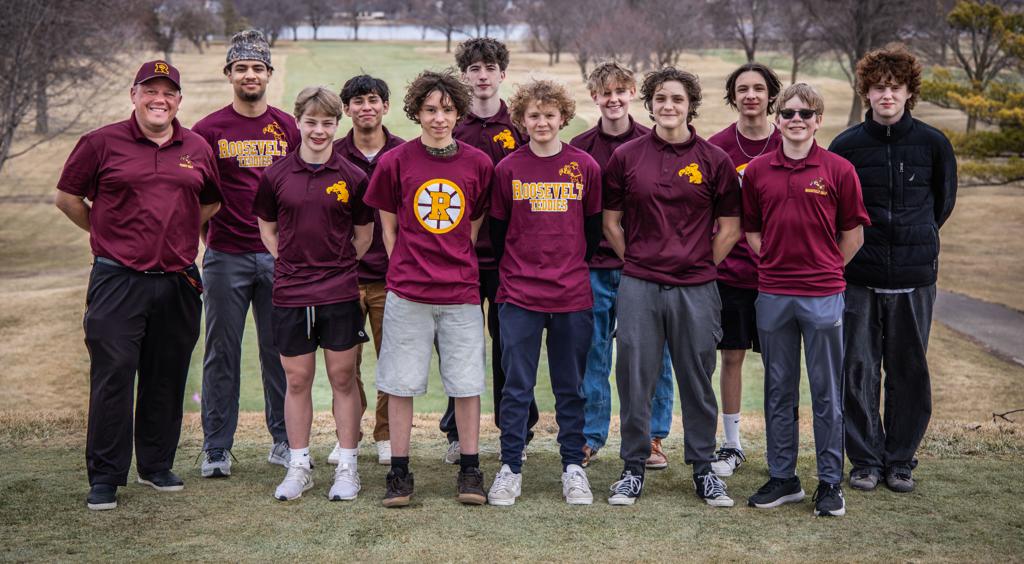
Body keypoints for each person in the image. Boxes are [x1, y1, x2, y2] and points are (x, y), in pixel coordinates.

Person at [55, 60, 222, 510]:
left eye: (168, 93)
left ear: (179, 101)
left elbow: (210, 203)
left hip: (177, 280)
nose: (158, 100)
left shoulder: (197, 147)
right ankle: (106, 476)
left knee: (166, 375)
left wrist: (176, 231)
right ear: (134, 95)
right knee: (114, 374)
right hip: (117, 279)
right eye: (150, 90)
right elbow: (68, 198)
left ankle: (156, 465)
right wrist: (106, 233)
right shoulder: (100, 142)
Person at [603, 67, 741, 507]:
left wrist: (698, 265)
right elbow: (611, 222)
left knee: (697, 379)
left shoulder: (714, 159)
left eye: (677, 99)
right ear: (649, 103)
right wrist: (637, 261)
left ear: (690, 105)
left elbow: (731, 228)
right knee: (634, 378)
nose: (668, 106)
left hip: (696, 287)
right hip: (639, 285)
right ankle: (632, 467)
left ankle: (703, 468)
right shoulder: (626, 157)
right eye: (661, 98)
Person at [830, 44, 957, 494]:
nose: (887, 95)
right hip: (859, 278)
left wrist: (912, 239)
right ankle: (865, 460)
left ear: (909, 93)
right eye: (879, 87)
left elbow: (942, 205)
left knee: (908, 372)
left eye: (895, 87)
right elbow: (836, 212)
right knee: (858, 370)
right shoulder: (846, 146)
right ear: (866, 91)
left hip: (914, 277)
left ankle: (900, 460)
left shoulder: (933, 144)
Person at [364, 70, 494, 507]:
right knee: (400, 385)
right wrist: (409, 268)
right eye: (430, 109)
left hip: (460, 293)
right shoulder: (395, 161)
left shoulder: (478, 164)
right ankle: (399, 472)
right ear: (417, 112)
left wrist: (451, 261)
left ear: (459, 113)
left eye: (447, 110)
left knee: (466, 384)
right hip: (408, 293)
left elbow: (472, 225)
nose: (439, 118)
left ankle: (470, 469)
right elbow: (389, 230)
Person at [742, 83, 870, 517]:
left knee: (826, 392)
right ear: (777, 119)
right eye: (788, 113)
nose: (796, 120)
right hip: (773, 294)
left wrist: (826, 268)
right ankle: (784, 477)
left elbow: (853, 235)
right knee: (778, 389)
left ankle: (830, 482)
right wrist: (776, 262)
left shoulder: (838, 170)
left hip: (823, 295)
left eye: (805, 113)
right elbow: (752, 231)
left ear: (818, 120)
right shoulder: (758, 171)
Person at [252, 86, 373, 501]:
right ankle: (299, 465)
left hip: (339, 292)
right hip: (291, 292)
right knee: (297, 379)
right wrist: (292, 262)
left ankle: (348, 466)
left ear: (337, 125)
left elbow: (363, 237)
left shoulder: (353, 177)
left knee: (343, 377)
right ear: (298, 122)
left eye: (327, 123)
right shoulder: (276, 175)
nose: (318, 130)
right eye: (311, 122)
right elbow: (268, 230)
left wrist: (334, 267)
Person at [485, 80, 601, 506]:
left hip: (571, 294)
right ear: (521, 120)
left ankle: (572, 466)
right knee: (516, 386)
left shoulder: (584, 166)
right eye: (533, 115)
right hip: (519, 294)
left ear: (563, 117)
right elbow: (499, 232)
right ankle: (510, 466)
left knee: (571, 386)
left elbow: (591, 232)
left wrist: (564, 265)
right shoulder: (507, 169)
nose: (542, 122)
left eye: (550, 115)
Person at [191, 29, 299, 478]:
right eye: (241, 68)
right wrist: (211, 240)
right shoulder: (207, 131)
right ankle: (217, 447)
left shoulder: (287, 127)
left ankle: (285, 440)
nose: (249, 75)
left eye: (257, 68)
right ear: (229, 74)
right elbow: (198, 196)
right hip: (226, 257)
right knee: (221, 352)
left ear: (269, 74)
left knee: (281, 351)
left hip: (278, 257)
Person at [571, 62, 676, 470]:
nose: (613, 99)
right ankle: (590, 435)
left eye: (620, 91)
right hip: (594, 265)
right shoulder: (580, 147)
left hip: (643, 266)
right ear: (594, 97)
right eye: (605, 93)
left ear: (632, 93)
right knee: (593, 352)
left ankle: (651, 435)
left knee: (652, 354)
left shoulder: (653, 142)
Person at [438, 37, 536, 464]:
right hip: (458, 255)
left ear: (502, 74)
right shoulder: (451, 127)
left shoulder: (519, 126)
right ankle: (455, 432)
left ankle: (517, 429)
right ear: (464, 76)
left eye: (490, 68)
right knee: (458, 346)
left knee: (509, 346)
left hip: (508, 257)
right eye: (474, 69)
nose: (482, 76)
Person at [706, 62, 783, 477]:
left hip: (779, 275)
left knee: (779, 362)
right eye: (742, 89)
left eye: (758, 88)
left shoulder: (789, 141)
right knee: (731, 356)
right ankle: (732, 444)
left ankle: (780, 444)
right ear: (732, 96)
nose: (751, 95)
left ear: (771, 95)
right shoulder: (717, 148)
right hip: (731, 274)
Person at [326, 74, 405, 467]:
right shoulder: (333, 154)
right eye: (357, 101)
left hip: (392, 279)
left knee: (392, 363)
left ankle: (386, 434)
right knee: (344, 366)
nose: (366, 107)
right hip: (344, 279)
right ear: (346, 109)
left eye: (373, 100)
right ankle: (348, 435)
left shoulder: (404, 153)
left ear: (385, 106)